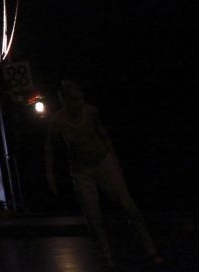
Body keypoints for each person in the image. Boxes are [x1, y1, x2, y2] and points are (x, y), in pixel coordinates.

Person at [44, 80, 164, 270]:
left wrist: (114, 160)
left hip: (103, 162)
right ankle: (106, 260)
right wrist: (50, 174)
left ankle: (150, 248)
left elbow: (103, 135)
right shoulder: (58, 121)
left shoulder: (90, 112)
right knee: (93, 218)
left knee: (128, 206)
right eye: (74, 99)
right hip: (81, 171)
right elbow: (50, 148)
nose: (79, 103)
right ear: (66, 101)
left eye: (80, 98)